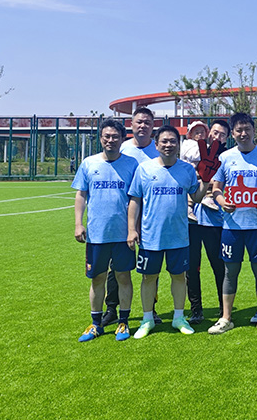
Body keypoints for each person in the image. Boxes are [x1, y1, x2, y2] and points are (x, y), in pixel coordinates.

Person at [126, 125, 208, 339]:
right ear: (156, 144)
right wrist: (131, 229)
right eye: (164, 141)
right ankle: (147, 319)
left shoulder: (187, 170)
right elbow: (135, 200)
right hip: (150, 236)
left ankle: (178, 317)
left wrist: (206, 181)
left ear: (178, 145)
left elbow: (196, 197)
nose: (168, 145)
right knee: (148, 278)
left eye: (173, 141)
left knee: (178, 277)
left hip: (179, 236)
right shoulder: (144, 169)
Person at [207, 113, 257, 336]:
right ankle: (226, 318)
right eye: (239, 130)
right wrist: (222, 202)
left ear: (254, 130)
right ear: (233, 133)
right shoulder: (225, 157)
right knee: (231, 271)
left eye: (247, 128)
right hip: (232, 226)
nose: (243, 133)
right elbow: (216, 188)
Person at [72, 118, 139, 342]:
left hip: (123, 235)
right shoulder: (88, 163)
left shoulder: (131, 165)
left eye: (115, 137)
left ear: (122, 139)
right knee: (97, 278)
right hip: (96, 234)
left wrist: (133, 229)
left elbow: (135, 198)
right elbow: (81, 194)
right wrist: (78, 223)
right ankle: (95, 323)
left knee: (123, 277)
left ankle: (123, 321)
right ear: (100, 138)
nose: (111, 140)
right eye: (107, 136)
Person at [102, 106, 160, 327]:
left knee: (151, 266)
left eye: (147, 122)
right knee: (116, 266)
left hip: (151, 216)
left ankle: (151, 309)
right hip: (122, 217)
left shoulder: (159, 148)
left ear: (153, 126)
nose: (143, 126)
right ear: (131, 125)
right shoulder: (122, 147)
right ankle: (111, 308)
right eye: (139, 122)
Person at [186, 119, 230, 325]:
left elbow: (223, 183)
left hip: (215, 221)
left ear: (227, 138)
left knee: (219, 267)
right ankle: (196, 310)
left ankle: (224, 309)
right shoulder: (195, 151)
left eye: (222, 134)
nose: (217, 136)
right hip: (191, 220)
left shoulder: (228, 156)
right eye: (214, 132)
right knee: (192, 267)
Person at [180, 120, 209, 222]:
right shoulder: (189, 144)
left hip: (200, 170)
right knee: (191, 185)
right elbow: (194, 155)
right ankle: (189, 207)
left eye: (202, 132)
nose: (200, 134)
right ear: (191, 134)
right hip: (190, 170)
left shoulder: (204, 145)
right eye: (197, 132)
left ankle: (207, 197)